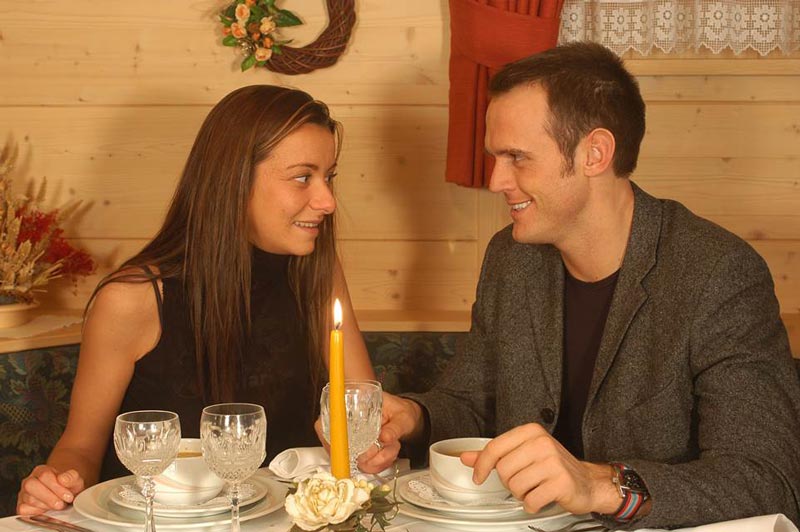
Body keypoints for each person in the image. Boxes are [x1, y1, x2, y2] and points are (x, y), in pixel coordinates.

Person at [360, 42, 800, 529]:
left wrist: (600, 485)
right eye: (495, 157)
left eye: (517, 157)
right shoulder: (511, 258)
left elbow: (766, 479)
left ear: (595, 153)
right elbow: (472, 403)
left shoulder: (719, 273)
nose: (496, 180)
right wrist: (414, 416)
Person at [16, 85, 375, 515]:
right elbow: (80, 448)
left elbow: (363, 426)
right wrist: (53, 485)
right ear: (233, 180)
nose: (327, 201)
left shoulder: (318, 271)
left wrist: (386, 436)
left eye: (329, 176)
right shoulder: (133, 299)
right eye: (303, 177)